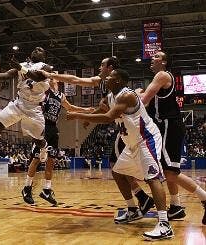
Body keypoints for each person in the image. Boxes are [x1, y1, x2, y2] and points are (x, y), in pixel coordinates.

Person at [66, 69, 173, 240]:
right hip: (132, 142)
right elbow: (104, 109)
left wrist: (78, 116)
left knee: (153, 178)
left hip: (147, 139)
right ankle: (132, 209)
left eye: (110, 76)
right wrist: (88, 117)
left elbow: (108, 117)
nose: (106, 78)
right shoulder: (110, 96)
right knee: (117, 171)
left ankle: (164, 224)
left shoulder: (127, 96)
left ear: (118, 81)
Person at [41, 58, 155, 215]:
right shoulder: (104, 84)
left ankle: (155, 208)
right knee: (118, 167)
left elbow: (109, 114)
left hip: (138, 131)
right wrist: (91, 115)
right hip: (125, 129)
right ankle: (141, 199)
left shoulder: (122, 91)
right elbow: (76, 80)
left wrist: (49, 75)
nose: (99, 67)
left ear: (111, 69)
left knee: (151, 174)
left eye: (102, 65)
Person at [137, 51, 206, 224]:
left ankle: (204, 197)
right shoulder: (161, 78)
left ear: (165, 62)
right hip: (167, 127)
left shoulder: (161, 75)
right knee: (169, 171)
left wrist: (133, 93)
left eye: (157, 57)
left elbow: (144, 100)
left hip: (169, 126)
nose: (152, 58)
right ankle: (175, 207)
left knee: (170, 173)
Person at [22, 75, 94, 205]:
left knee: (51, 160)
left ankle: (46, 190)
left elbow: (70, 107)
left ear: (57, 80)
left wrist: (86, 110)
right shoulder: (44, 91)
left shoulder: (61, 96)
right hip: (42, 126)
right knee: (36, 159)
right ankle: (27, 188)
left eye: (53, 75)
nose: (50, 77)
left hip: (53, 129)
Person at [0, 47, 51, 165]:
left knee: (38, 140)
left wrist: (20, 68)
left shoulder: (46, 67)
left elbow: (37, 77)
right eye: (34, 49)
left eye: (40, 50)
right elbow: (7, 74)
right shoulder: (22, 65)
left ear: (44, 56)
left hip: (34, 107)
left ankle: (44, 148)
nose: (35, 50)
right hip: (19, 103)